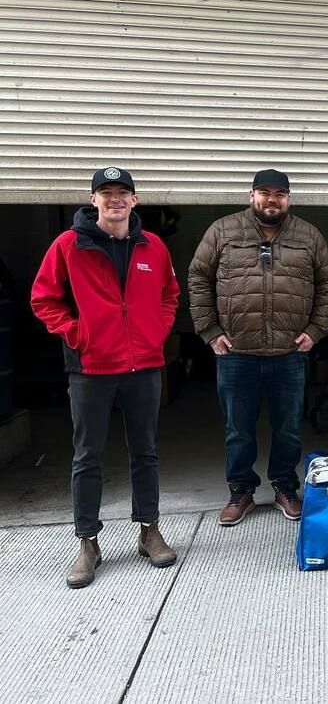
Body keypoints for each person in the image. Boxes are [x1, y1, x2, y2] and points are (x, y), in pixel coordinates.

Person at [31, 167, 179, 588]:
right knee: (87, 456)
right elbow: (43, 299)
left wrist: (155, 332)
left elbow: (170, 295)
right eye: (106, 192)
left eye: (123, 192)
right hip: (91, 368)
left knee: (145, 451)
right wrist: (77, 334)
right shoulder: (68, 245)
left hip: (143, 366)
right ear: (93, 199)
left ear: (135, 200)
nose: (115, 199)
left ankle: (149, 529)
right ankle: (88, 542)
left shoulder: (153, 247)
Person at [188, 169, 328, 526]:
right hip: (237, 352)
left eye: (280, 194)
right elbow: (198, 278)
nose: (272, 200)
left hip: (289, 352)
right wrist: (209, 330)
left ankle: (285, 486)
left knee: (288, 427)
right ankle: (241, 490)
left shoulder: (308, 236)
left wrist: (316, 330)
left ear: (288, 199)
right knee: (238, 428)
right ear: (251, 195)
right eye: (265, 192)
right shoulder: (223, 231)